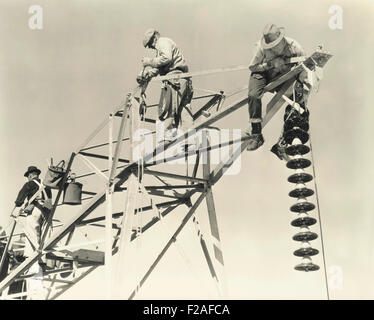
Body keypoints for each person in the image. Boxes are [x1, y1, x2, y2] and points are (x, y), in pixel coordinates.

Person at [246, 23, 309, 160]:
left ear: (282, 39)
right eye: (271, 47)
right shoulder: (260, 48)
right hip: (263, 74)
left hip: (283, 77)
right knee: (253, 95)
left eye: (276, 46)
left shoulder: (295, 46)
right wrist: (269, 64)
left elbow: (304, 68)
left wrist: (300, 83)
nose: (274, 49)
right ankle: (256, 134)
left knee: (299, 102)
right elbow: (253, 67)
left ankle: (283, 142)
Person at [137, 28, 194, 144]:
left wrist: (148, 61)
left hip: (175, 79)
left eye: (150, 44)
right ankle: (189, 140)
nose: (151, 48)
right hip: (184, 80)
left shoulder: (162, 42)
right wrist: (145, 74)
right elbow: (158, 67)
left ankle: (167, 136)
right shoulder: (164, 46)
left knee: (167, 108)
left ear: (154, 38)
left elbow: (166, 58)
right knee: (184, 110)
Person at [13, 166, 52, 256]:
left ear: (30, 175)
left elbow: (19, 200)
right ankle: (45, 257)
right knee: (46, 235)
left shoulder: (29, 184)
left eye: (28, 176)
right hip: (47, 211)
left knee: (32, 233)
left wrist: (17, 204)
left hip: (35, 210)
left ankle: (32, 258)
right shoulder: (46, 185)